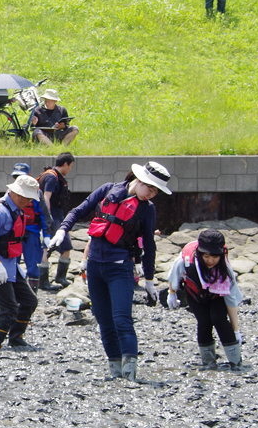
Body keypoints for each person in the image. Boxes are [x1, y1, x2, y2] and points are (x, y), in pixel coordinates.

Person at [50, 161, 173, 381]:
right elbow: (79, 210)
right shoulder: (108, 189)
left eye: (156, 192)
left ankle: (130, 372)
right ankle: (115, 372)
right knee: (104, 321)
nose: (151, 195)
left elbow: (149, 244)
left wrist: (150, 280)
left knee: (122, 319)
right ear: (138, 180)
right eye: (150, 188)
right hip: (96, 266)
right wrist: (62, 230)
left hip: (120, 268)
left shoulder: (147, 209)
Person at [164, 229, 244, 370]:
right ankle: (208, 362)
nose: (210, 260)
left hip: (217, 295)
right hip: (195, 294)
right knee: (204, 322)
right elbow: (173, 276)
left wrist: (236, 329)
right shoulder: (185, 261)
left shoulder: (226, 271)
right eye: (206, 256)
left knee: (219, 319)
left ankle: (236, 361)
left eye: (215, 256)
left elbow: (231, 301)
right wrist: (172, 293)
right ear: (200, 252)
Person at [0, 175, 42, 349]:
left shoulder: (16, 210)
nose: (29, 202)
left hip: (11, 266)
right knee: (9, 307)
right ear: (18, 194)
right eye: (28, 198)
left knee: (30, 301)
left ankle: (16, 337)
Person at [39, 152, 76, 290]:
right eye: (70, 166)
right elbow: (46, 197)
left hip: (57, 214)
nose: (70, 169)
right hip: (53, 215)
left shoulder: (50, 175)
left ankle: (57, 278)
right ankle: (47, 280)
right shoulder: (52, 177)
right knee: (60, 246)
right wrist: (48, 218)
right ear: (65, 164)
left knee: (55, 246)